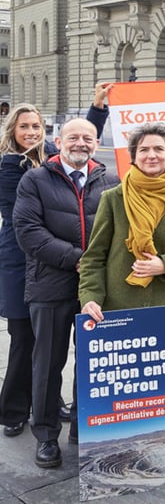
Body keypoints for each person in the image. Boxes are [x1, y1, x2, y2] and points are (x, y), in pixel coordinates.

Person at [13, 119, 117, 468]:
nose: (81, 143)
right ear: (59, 140)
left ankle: (84, 430)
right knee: (48, 363)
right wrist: (81, 261)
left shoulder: (110, 180)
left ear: (97, 143)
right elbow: (29, 232)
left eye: (88, 138)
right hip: (51, 285)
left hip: (98, 290)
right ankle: (45, 435)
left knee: (94, 363)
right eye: (73, 137)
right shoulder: (36, 179)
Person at [79, 123, 165, 315]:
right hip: (121, 308)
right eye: (143, 149)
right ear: (134, 156)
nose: (151, 155)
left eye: (158, 149)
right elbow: (94, 257)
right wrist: (90, 298)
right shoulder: (114, 198)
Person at [0, 104, 56, 440]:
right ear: (13, 131)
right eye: (25, 127)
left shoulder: (45, 156)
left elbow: (82, 143)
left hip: (44, 260)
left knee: (47, 340)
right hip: (18, 262)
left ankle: (43, 403)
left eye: (36, 126)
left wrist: (97, 109)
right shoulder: (9, 167)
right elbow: (27, 215)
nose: (32, 132)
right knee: (24, 338)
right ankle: (12, 410)